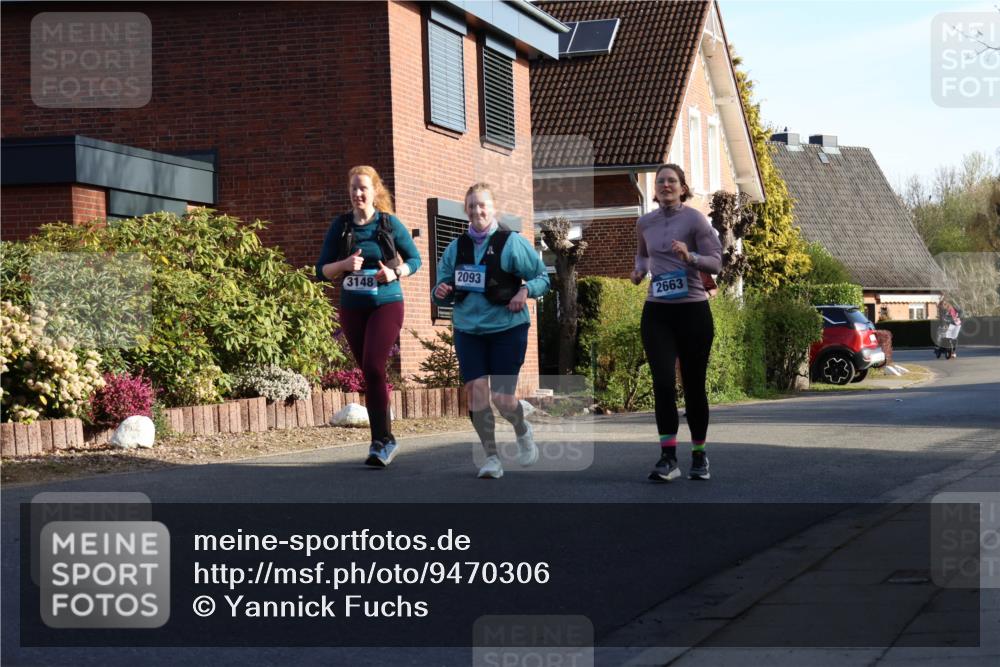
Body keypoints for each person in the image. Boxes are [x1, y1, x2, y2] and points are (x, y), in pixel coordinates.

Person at [432, 183, 550, 479]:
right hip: (468, 329)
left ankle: (522, 429)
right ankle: (492, 458)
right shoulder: (456, 247)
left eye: (482, 205)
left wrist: (525, 291)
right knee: (475, 392)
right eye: (471, 206)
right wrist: (441, 290)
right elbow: (439, 288)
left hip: (507, 328)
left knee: (502, 399)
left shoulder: (512, 243)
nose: (477, 211)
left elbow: (542, 277)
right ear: (466, 210)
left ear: (493, 208)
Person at [316, 165, 421, 467]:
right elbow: (321, 270)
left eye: (363, 188)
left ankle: (381, 442)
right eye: (353, 189)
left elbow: (415, 259)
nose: (358, 193)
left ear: (375, 191)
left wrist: (395, 271)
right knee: (368, 371)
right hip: (353, 306)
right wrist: (345, 264)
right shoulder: (341, 226)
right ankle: (385, 439)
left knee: (374, 365)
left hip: (387, 303)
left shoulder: (389, 223)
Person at [631, 164, 722, 482]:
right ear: (654, 189)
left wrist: (691, 258)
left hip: (693, 311)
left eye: (672, 181)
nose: (665, 185)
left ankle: (699, 456)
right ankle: (668, 458)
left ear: (683, 188)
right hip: (657, 312)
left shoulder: (695, 219)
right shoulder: (644, 223)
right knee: (663, 384)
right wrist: (639, 270)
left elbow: (716, 261)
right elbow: (642, 255)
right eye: (660, 182)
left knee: (694, 386)